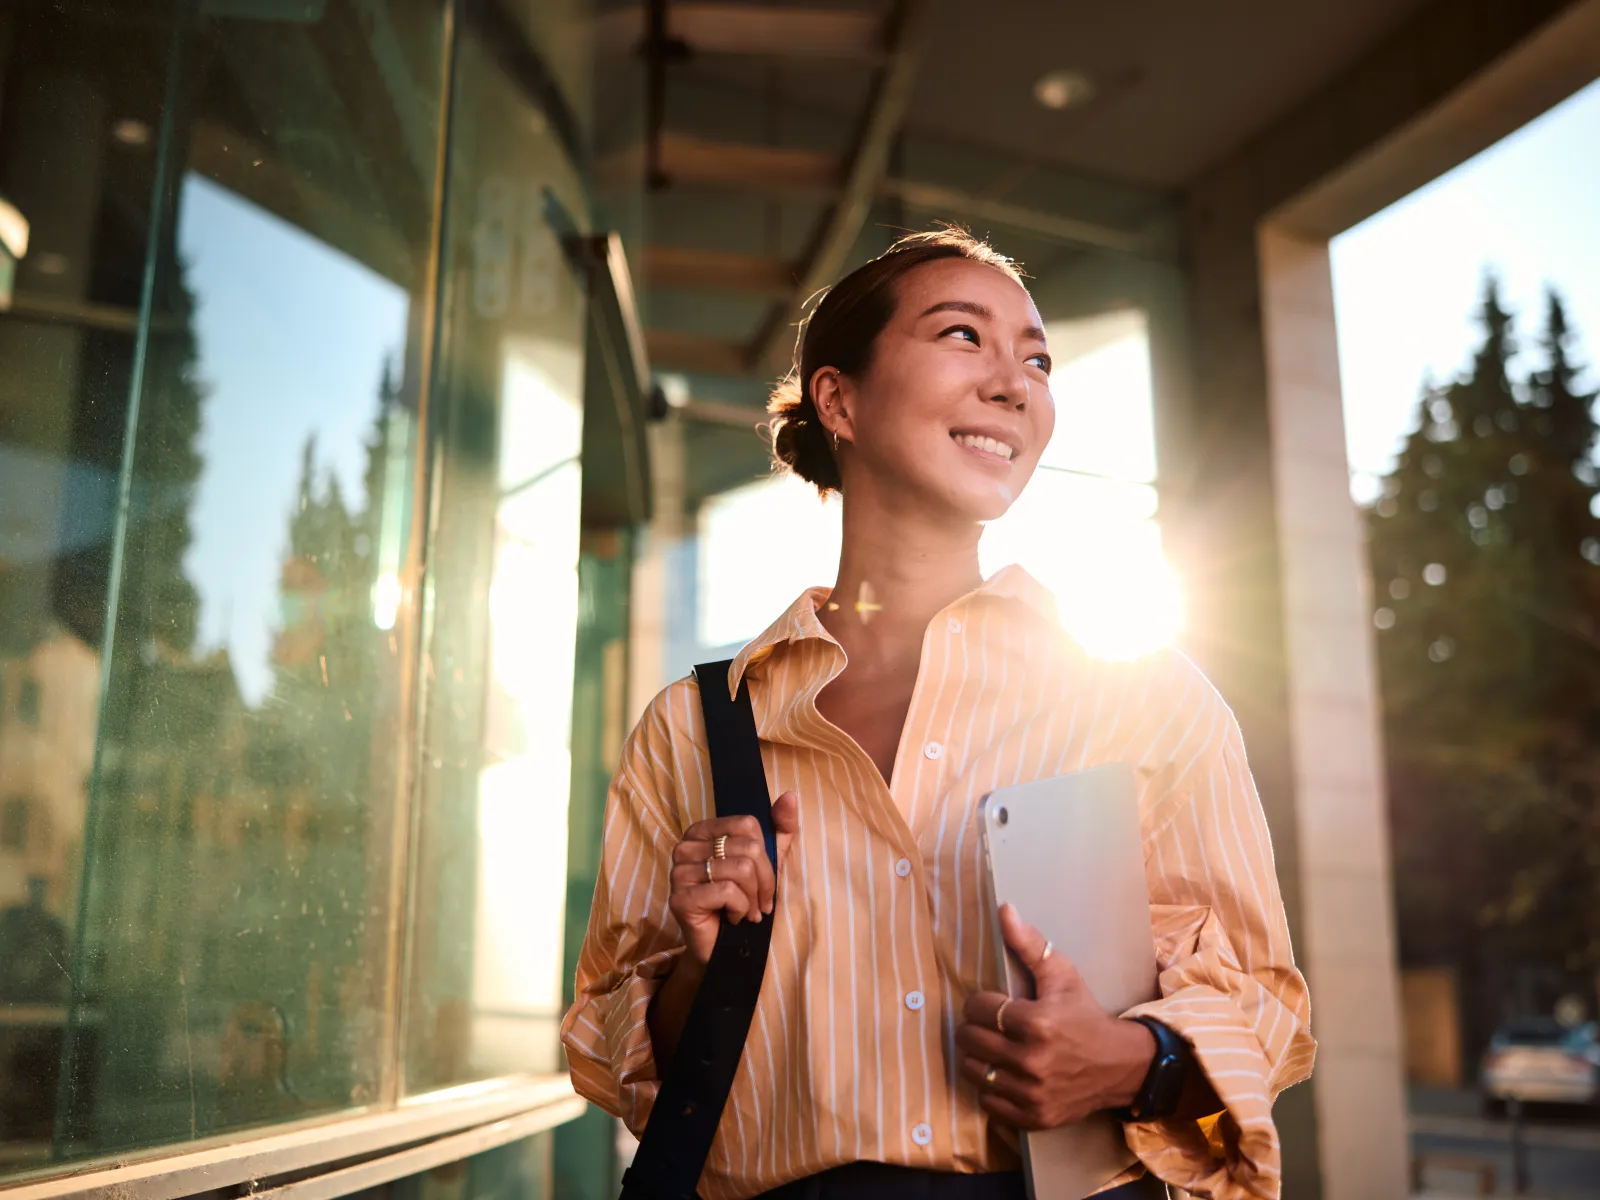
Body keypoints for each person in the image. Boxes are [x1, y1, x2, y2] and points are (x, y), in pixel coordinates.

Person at [561, 229, 1314, 1200]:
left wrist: (1133, 1059)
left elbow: (1265, 1008)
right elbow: (620, 1062)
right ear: (839, 400)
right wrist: (707, 964)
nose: (1015, 384)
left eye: (1037, 359)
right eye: (964, 336)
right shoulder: (693, 729)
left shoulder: (1142, 697)